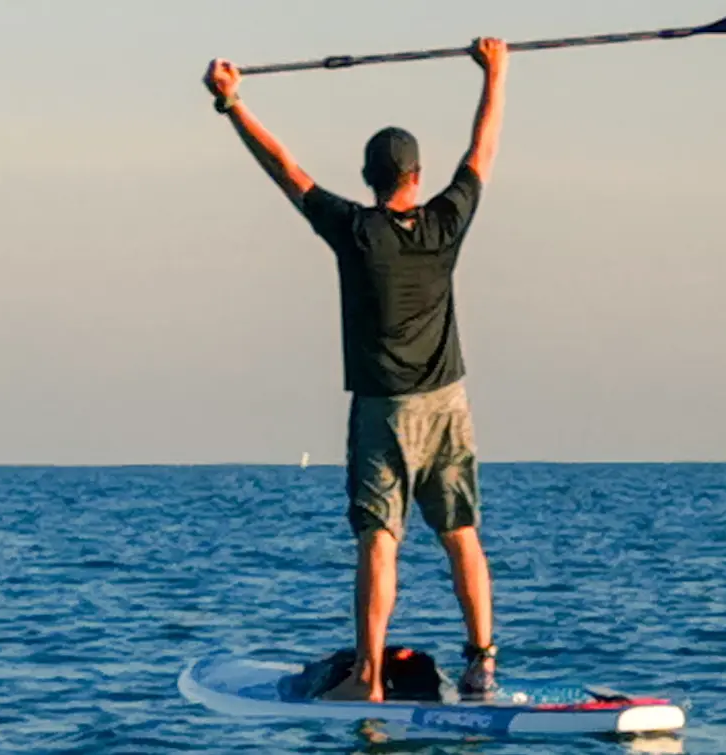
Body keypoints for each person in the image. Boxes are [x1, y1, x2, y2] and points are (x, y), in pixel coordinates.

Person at [201, 37, 510, 701]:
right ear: (416, 176)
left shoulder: (355, 231)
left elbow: (285, 170)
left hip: (384, 410)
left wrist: (232, 105)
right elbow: (481, 151)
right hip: (449, 404)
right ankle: (482, 663)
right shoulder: (446, 222)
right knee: (461, 533)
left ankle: (369, 678)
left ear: (369, 178)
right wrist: (496, 72)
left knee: (379, 539)